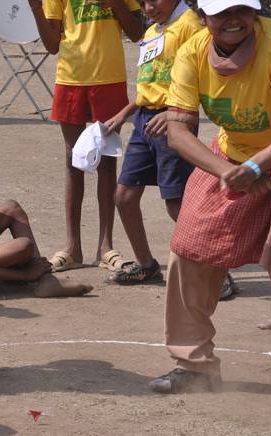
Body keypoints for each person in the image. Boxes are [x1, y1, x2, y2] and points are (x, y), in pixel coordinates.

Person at [151, 0, 271, 394]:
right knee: (189, 250)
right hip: (231, 158)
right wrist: (228, 173)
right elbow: (178, 130)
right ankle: (194, 365)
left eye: (242, 10)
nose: (233, 19)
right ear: (203, 16)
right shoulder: (192, 51)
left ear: (256, 12)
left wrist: (254, 169)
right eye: (221, 12)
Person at [28, 0, 143, 273]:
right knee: (73, 159)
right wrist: (36, 11)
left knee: (106, 158)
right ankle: (72, 248)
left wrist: (115, 4)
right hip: (71, 78)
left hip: (109, 77)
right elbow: (52, 44)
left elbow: (139, 32)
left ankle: (106, 246)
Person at [103, 0, 201, 284]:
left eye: (154, 0)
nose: (148, 7)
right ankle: (146, 264)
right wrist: (124, 114)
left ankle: (215, 272)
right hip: (144, 121)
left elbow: (201, 80)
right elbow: (151, 83)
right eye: (142, 2)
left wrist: (175, 114)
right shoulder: (152, 31)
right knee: (124, 196)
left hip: (174, 121)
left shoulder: (190, 26)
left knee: (176, 203)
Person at [0, 199, 94, 298]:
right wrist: (25, 275)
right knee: (23, 246)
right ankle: (36, 274)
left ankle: (46, 278)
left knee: (12, 208)